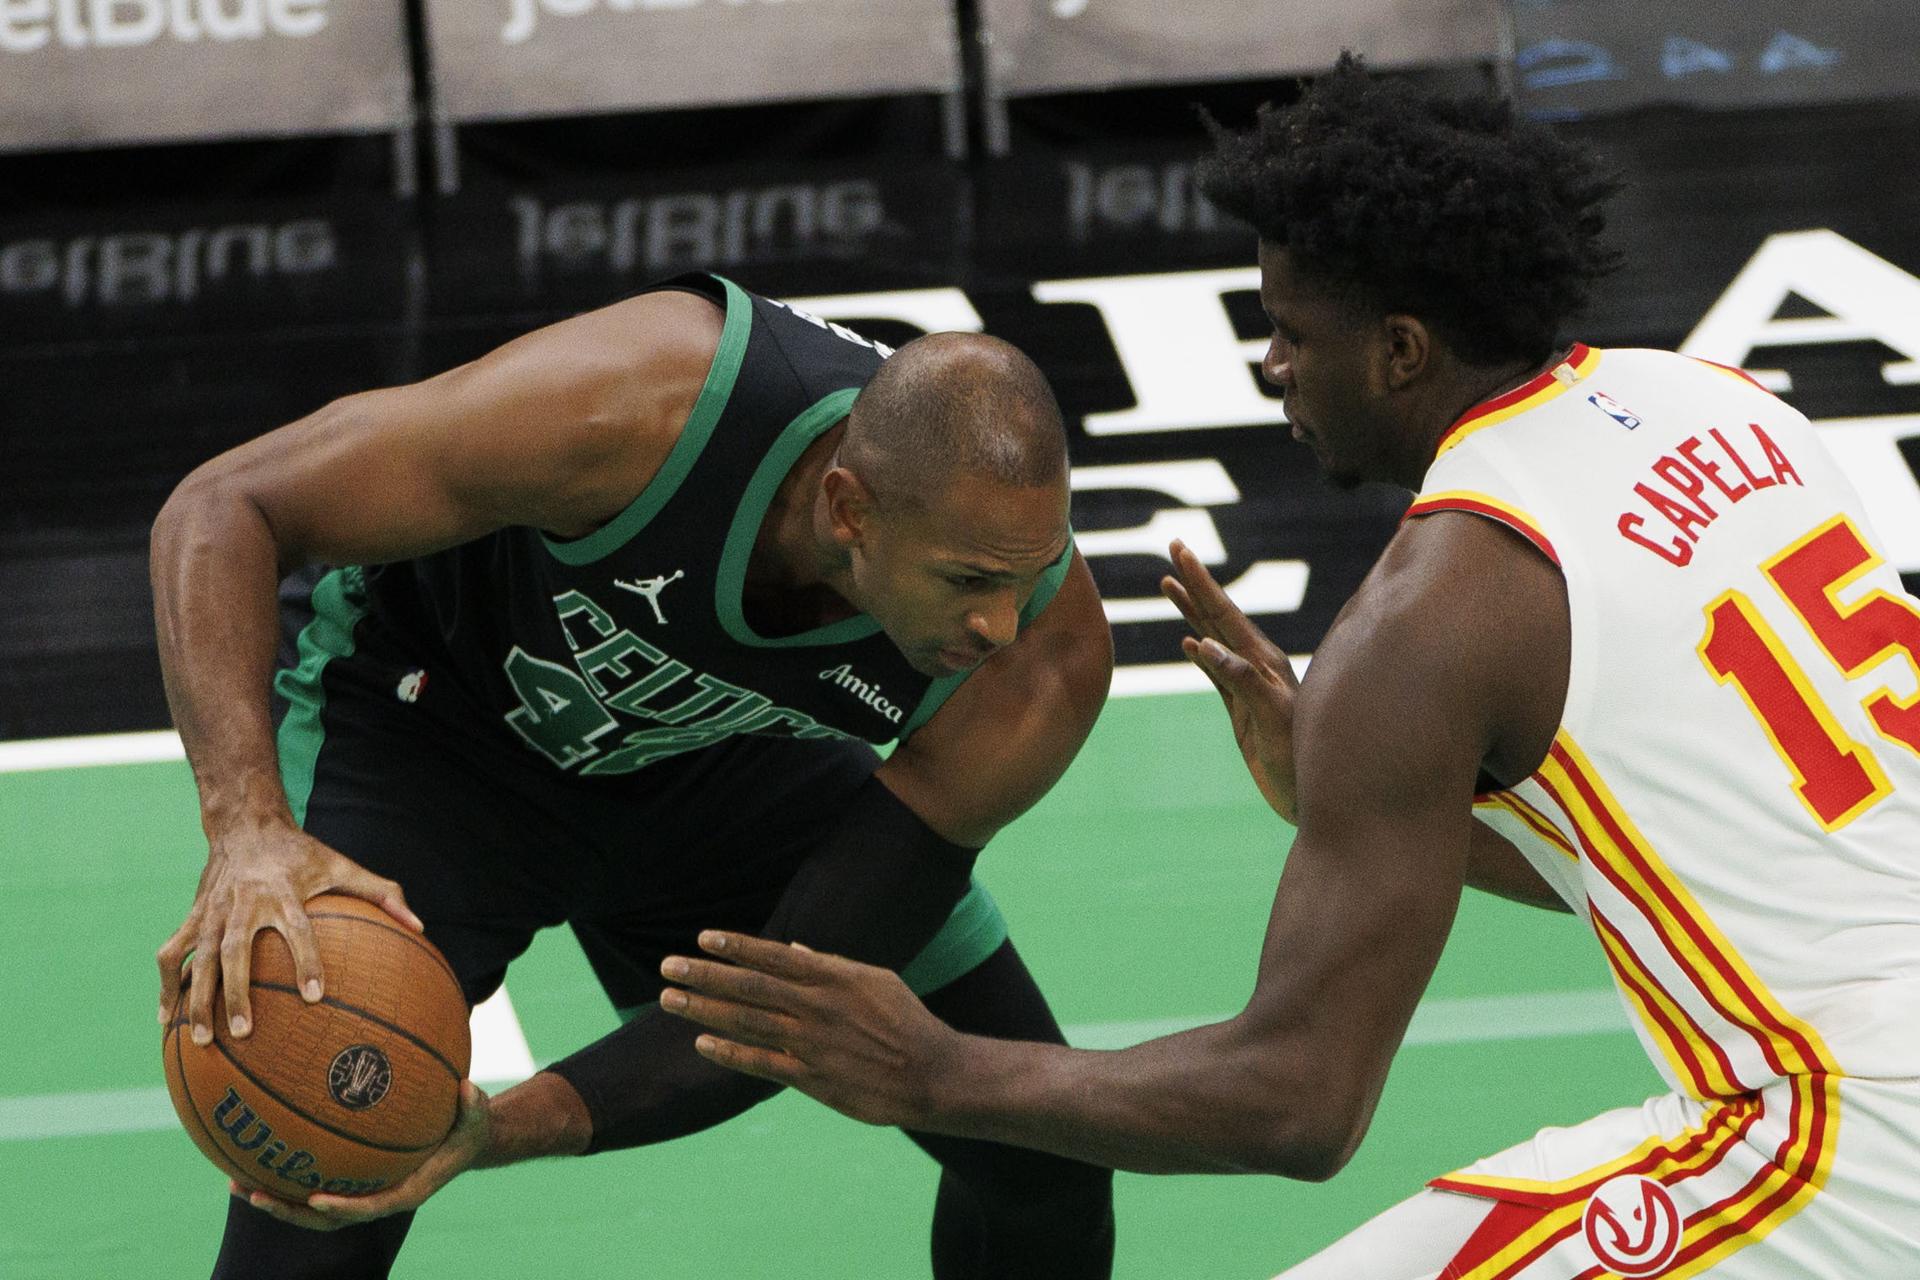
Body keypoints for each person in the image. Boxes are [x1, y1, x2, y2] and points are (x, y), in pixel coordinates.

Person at [659, 58, 1920, 1278]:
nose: (1269, 366)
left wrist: (930, 1067)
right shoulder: (1726, 407)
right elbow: (1719, 849)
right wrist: (1344, 791)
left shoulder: (1428, 615)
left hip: (1840, 1140)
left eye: (1289, 330)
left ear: (1404, 351)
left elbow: (1297, 1100)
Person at [149, 271, 1118, 1278]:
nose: (998, 623)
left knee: (1037, 1153)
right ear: (848, 508)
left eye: (1026, 573)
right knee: (316, 1207)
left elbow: (775, 1006)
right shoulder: (638, 405)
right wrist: (248, 828)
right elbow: (227, 505)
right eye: (968, 579)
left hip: (717, 762)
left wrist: (503, 1126)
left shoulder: (1041, 664)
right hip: (431, 723)